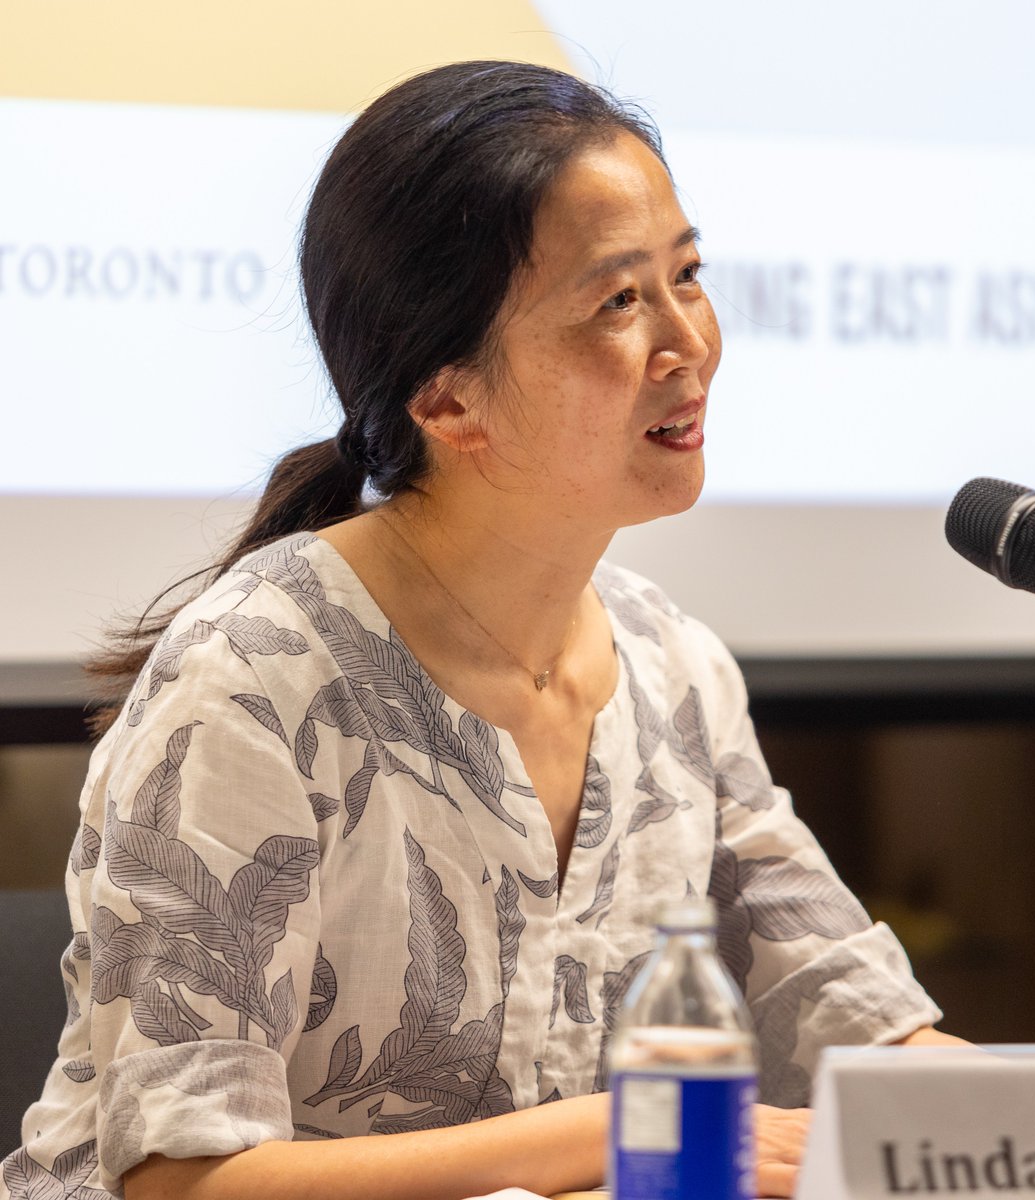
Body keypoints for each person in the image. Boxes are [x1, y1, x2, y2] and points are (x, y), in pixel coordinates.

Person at [1, 60, 956, 1200]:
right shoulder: (253, 680)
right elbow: (183, 1181)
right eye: (617, 301)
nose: (687, 342)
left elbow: (864, 1026)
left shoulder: (675, 670)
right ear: (448, 401)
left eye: (686, 277)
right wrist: (620, 1135)